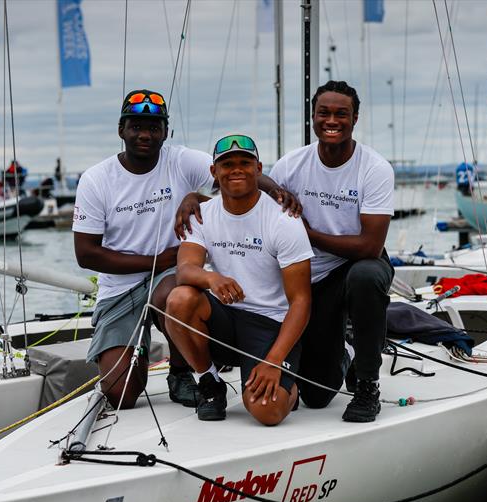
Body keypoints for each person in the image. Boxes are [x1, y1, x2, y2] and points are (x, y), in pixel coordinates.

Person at [72, 89, 215, 410]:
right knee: (121, 396)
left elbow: (239, 178)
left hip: (167, 277)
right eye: (137, 126)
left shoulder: (180, 160)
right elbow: (86, 254)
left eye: (154, 127)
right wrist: (156, 259)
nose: (145, 135)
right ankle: (138, 351)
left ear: (166, 131)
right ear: (121, 130)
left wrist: (199, 197)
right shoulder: (96, 179)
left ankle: (179, 373)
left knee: (174, 292)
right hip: (120, 288)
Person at [267, 81, 394, 423]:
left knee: (367, 276)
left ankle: (367, 383)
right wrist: (195, 199)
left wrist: (305, 233)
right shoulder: (291, 165)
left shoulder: (375, 168)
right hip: (313, 275)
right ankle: (347, 352)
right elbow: (256, 195)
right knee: (318, 395)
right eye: (324, 112)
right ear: (313, 117)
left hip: (359, 263)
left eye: (342, 113)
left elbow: (370, 245)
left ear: (355, 119)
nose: (332, 120)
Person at [165, 134, 312, 425]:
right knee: (179, 298)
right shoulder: (202, 214)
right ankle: (209, 382)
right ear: (214, 172)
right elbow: (184, 270)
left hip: (270, 323)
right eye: (227, 163)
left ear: (259, 169)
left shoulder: (284, 221)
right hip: (227, 316)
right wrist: (211, 278)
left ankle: (291, 387)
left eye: (245, 163)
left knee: (267, 412)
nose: (236, 169)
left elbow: (301, 301)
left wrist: (273, 361)